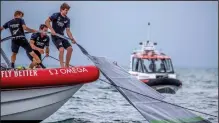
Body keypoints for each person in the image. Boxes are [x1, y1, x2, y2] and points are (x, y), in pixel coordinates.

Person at [45, 2, 76, 68]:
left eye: (68, 10)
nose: (67, 12)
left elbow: (68, 30)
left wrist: (72, 38)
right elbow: (46, 22)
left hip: (62, 36)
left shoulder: (67, 19)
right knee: (61, 49)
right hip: (55, 36)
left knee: (70, 49)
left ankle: (66, 65)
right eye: (66, 10)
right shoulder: (56, 15)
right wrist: (51, 30)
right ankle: (62, 67)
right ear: (61, 9)